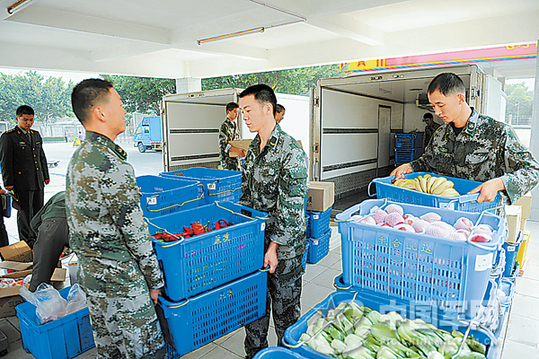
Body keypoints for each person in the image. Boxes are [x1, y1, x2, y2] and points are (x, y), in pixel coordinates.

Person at [66, 78, 166, 358]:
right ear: (100, 112)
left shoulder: (79, 158)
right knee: (146, 351)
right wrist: (154, 280)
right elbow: (135, 233)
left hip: (94, 280)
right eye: (120, 104)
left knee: (110, 351)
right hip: (122, 282)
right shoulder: (111, 164)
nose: (124, 111)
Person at [391, 72, 539, 205]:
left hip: (481, 215)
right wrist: (410, 166)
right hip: (444, 212)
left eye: (440, 105)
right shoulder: (440, 134)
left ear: (460, 98)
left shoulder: (498, 132)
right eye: (433, 106)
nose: (436, 112)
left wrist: (499, 183)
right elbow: (428, 162)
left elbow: (532, 170)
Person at [238, 84, 308, 359]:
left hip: (284, 249)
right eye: (242, 110)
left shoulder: (291, 151)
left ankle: (288, 355)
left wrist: (274, 248)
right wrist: (240, 233)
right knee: (253, 311)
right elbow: (247, 196)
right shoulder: (253, 149)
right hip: (257, 242)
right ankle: (255, 355)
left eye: (248, 109)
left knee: (285, 313)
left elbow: (291, 208)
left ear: (267, 109)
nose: (244, 116)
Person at [0, 105, 50, 248]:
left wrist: (45, 175)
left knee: (38, 211)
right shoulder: (8, 137)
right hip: (21, 183)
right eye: (25, 120)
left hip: (37, 180)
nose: (28, 123)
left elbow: (41, 157)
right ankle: (27, 242)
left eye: (31, 120)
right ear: (17, 119)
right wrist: (8, 183)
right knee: (25, 213)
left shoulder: (35, 135)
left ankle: (37, 238)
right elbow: (6, 161)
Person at [29, 191, 69, 292]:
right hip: (77, 227)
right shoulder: (88, 194)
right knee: (88, 273)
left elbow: (34, 223)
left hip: (50, 226)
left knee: (39, 277)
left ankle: (35, 304)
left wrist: (42, 239)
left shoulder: (59, 195)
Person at [218, 102, 245, 170]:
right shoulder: (224, 126)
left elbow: (238, 140)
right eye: (235, 111)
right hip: (227, 161)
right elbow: (223, 143)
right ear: (228, 112)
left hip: (235, 159)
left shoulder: (234, 125)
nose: (236, 114)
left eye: (238, 112)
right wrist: (236, 150)